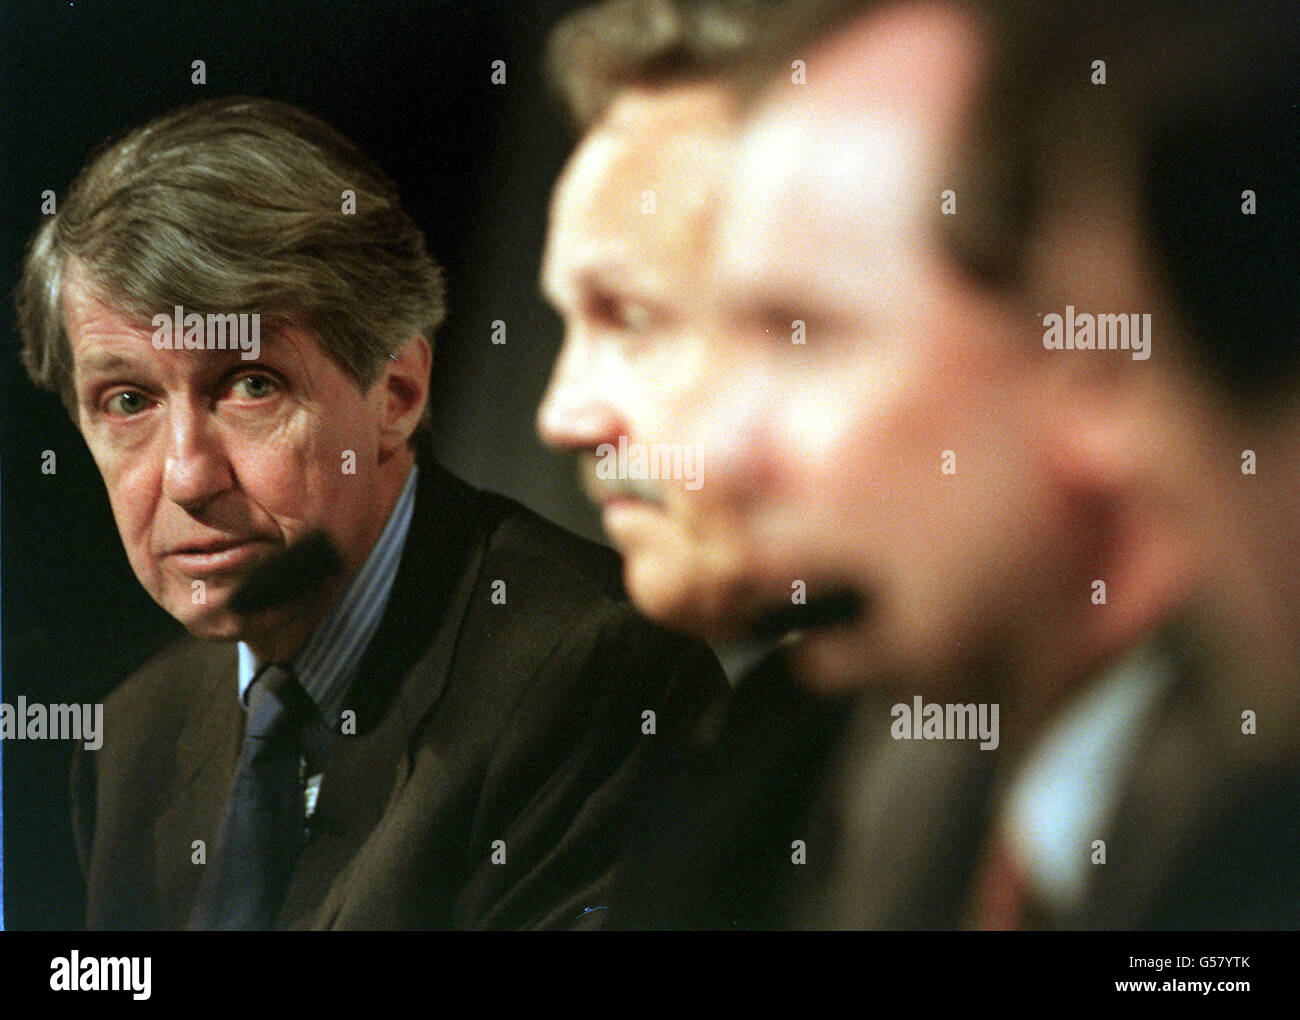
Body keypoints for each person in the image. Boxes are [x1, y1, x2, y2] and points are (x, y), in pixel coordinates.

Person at [539, 0, 1298, 927]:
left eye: (801, 338)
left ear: (1093, 354)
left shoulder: (1248, 839)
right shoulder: (916, 775)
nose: (714, 449)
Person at [15, 95, 726, 930]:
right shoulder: (134, 735)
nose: (186, 476)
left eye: (250, 385)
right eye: (126, 400)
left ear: (396, 393)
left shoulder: (596, 674)